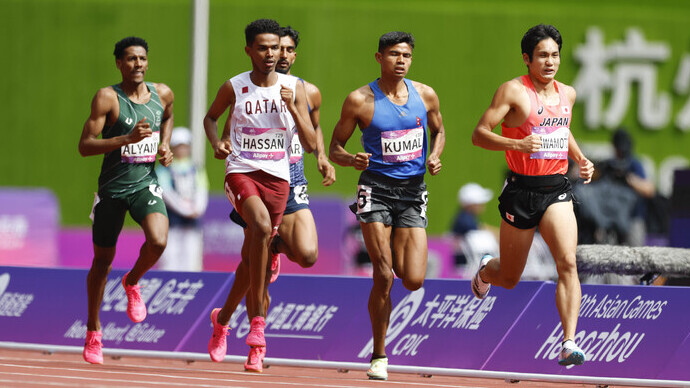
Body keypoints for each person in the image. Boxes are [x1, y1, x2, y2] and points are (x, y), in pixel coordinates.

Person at [470, 24, 594, 366]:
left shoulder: (567, 93)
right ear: (527, 59)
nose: (550, 61)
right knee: (509, 278)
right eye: (542, 55)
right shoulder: (512, 92)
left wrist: (580, 159)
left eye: (555, 55)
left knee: (567, 262)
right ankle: (485, 272)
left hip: (555, 190)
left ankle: (569, 342)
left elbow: (562, 130)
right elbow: (479, 135)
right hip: (521, 191)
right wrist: (517, 143)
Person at [329, 31, 445, 381]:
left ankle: (397, 246)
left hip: (412, 191)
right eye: (393, 54)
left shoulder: (425, 95)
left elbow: (439, 131)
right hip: (375, 190)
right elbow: (335, 146)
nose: (400, 61)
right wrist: (351, 160)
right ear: (378, 57)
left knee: (413, 279)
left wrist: (435, 155)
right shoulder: (360, 100)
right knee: (383, 274)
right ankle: (379, 355)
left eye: (406, 55)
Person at [202, 19, 316, 373]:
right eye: (265, 48)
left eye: (278, 49)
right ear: (249, 50)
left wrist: (294, 107)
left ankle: (222, 322)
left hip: (282, 178)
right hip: (242, 171)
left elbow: (311, 143)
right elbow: (211, 118)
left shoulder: (297, 88)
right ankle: (257, 339)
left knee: (257, 264)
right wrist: (217, 142)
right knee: (262, 229)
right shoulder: (234, 87)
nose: (272, 55)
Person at [222, 25, 336, 371]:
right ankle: (254, 344)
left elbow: (313, 131)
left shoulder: (306, 91)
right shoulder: (246, 87)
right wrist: (224, 144)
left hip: (293, 176)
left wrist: (322, 159)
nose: (280, 55)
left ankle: (274, 249)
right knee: (252, 262)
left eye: (287, 50)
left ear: (293, 55)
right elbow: (231, 124)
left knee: (306, 253)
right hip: (254, 175)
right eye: (275, 49)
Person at [77, 36, 174, 364]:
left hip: (145, 184)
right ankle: (93, 330)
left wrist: (165, 145)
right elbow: (85, 145)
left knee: (159, 241)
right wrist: (125, 139)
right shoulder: (108, 98)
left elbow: (168, 117)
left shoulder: (162, 94)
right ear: (119, 63)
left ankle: (132, 281)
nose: (138, 64)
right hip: (112, 190)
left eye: (142, 58)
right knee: (102, 261)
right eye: (131, 59)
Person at [155, 127, 209, 271]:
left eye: (185, 146)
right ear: (172, 147)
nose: (182, 150)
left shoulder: (196, 168)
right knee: (170, 256)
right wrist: (185, 210)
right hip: (171, 221)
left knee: (192, 256)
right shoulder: (163, 169)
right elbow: (167, 194)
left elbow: (202, 190)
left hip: (193, 221)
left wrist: (197, 209)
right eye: (179, 146)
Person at [451, 183, 498, 273]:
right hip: (467, 266)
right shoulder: (464, 220)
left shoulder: (466, 218)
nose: (483, 204)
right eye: (479, 202)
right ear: (471, 204)